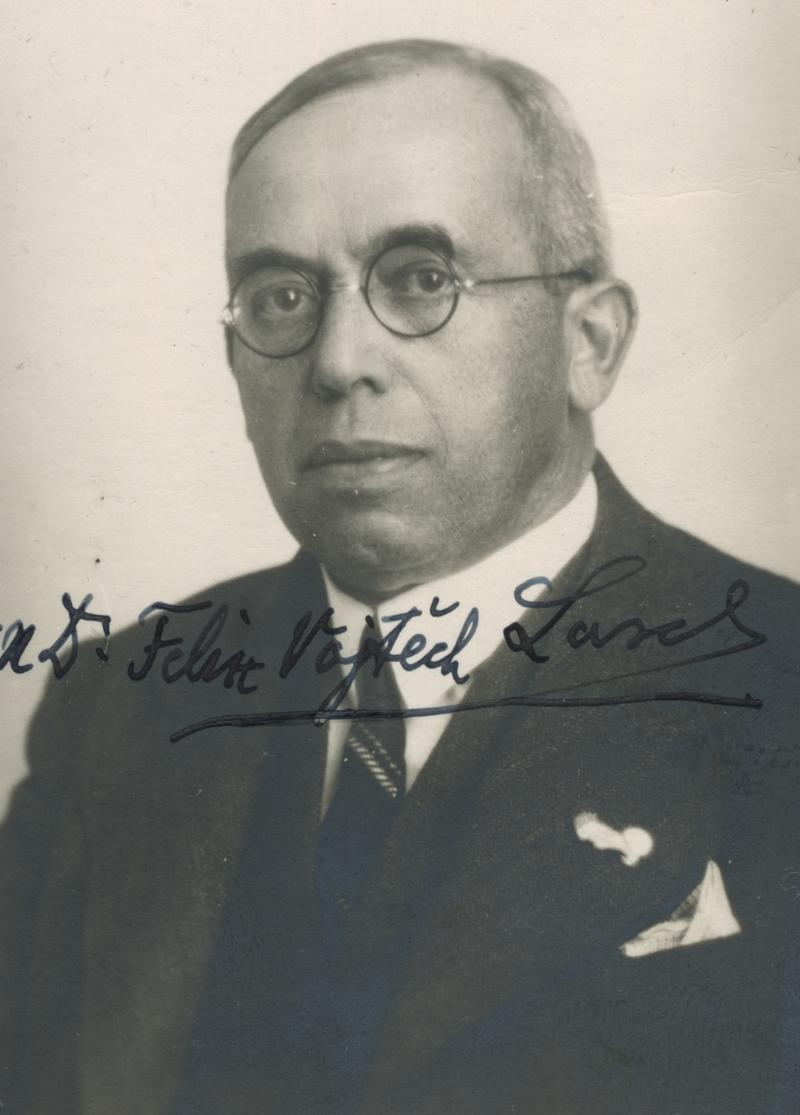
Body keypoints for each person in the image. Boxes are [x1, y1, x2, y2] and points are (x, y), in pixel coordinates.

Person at [2, 39, 798, 1115]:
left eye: (421, 280)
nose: (338, 361)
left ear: (590, 342)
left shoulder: (777, 683)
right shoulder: (118, 705)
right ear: (234, 359)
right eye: (280, 297)